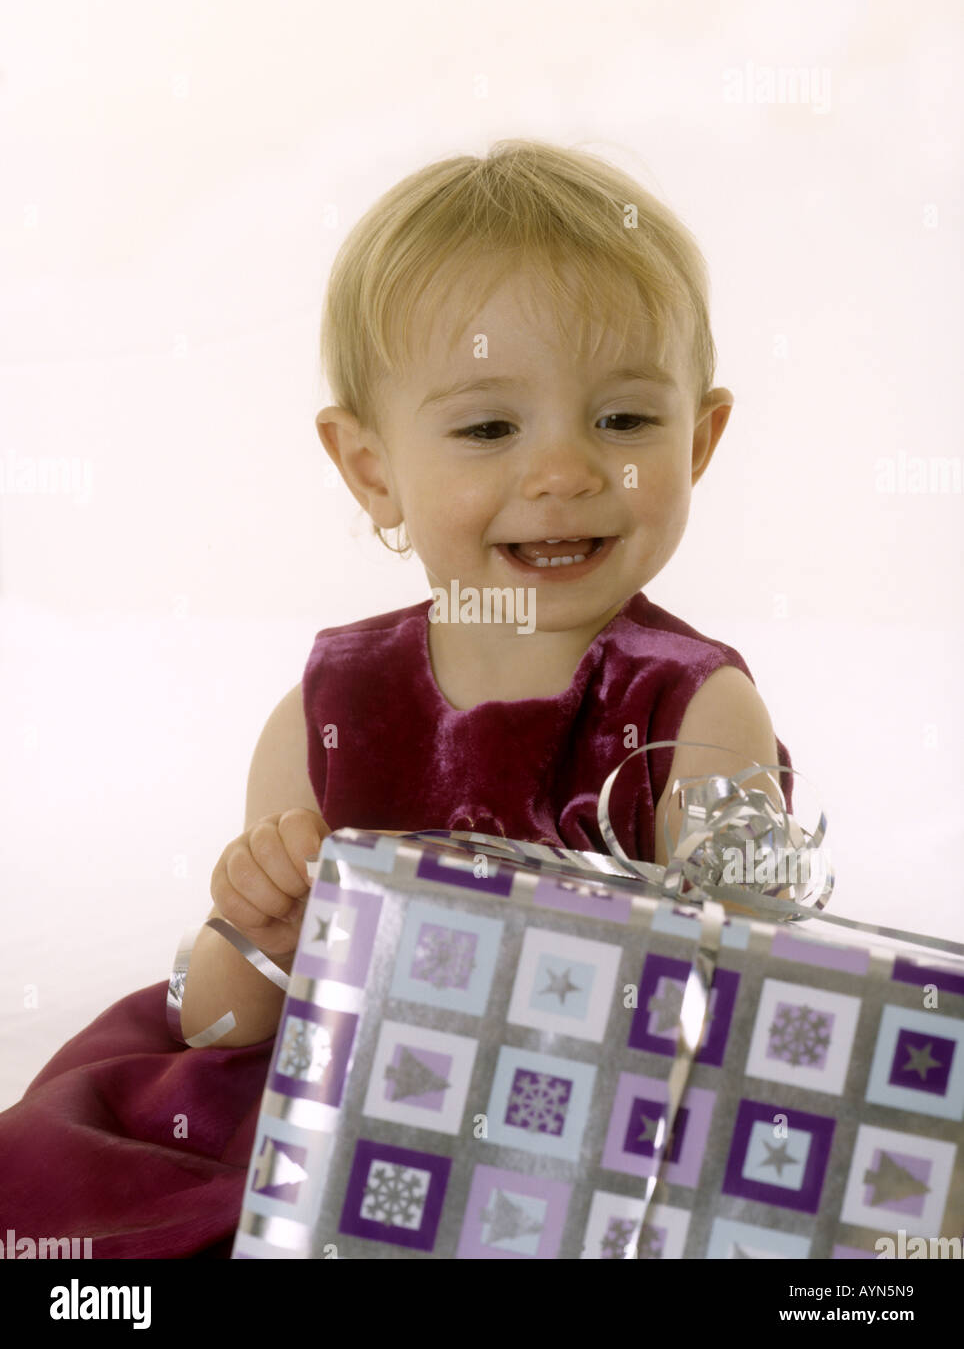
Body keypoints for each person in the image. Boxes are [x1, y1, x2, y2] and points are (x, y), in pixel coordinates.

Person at [0, 138, 793, 1257]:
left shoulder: (692, 711)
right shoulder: (326, 711)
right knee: (89, 1205)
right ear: (372, 469)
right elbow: (218, 1024)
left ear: (699, 440)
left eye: (623, 421)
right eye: (486, 428)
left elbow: (741, 1026)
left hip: (569, 1130)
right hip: (337, 1102)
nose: (562, 470)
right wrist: (258, 933)